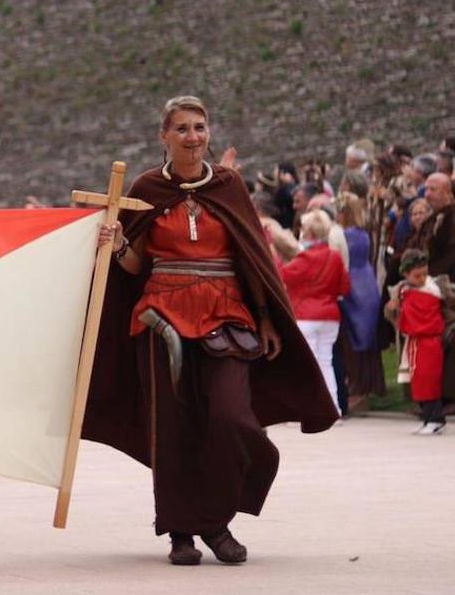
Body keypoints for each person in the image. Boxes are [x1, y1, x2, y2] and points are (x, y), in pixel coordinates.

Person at [88, 95, 338, 566]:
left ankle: (217, 518)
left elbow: (252, 257)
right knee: (174, 426)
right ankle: (184, 532)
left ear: (209, 132)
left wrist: (265, 317)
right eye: (181, 128)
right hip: (160, 316)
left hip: (226, 315)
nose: (192, 136)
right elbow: (137, 263)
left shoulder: (229, 186)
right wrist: (119, 245)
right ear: (164, 136)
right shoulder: (146, 189)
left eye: (199, 127)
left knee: (230, 417)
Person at [281, 210, 351, 409]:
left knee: (305, 365)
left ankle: (305, 410)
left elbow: (281, 276)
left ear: (309, 233)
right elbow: (344, 287)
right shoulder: (334, 257)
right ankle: (333, 407)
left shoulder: (303, 259)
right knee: (326, 362)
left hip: (305, 316)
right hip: (330, 316)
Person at [385, 250, 451, 434]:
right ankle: (428, 417)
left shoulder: (432, 291)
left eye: (424, 273)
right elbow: (398, 314)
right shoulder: (403, 291)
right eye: (417, 275)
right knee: (419, 380)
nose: (422, 279)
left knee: (428, 380)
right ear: (406, 274)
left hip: (428, 341)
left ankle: (435, 418)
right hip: (416, 342)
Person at [336, 193, 384, 406]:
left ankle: (360, 386)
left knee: (354, 336)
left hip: (354, 286)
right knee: (364, 336)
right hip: (366, 281)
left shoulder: (347, 235)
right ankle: (365, 385)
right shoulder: (363, 233)